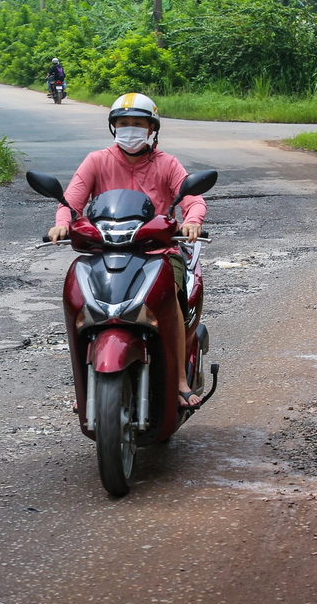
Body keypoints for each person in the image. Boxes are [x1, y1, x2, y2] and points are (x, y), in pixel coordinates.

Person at [47, 93, 206, 409]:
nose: (130, 130)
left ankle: (178, 381)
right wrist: (62, 224)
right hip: (104, 249)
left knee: (170, 298)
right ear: (113, 128)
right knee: (78, 299)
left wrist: (192, 221)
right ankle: (85, 382)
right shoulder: (97, 160)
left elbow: (194, 199)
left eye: (138, 124)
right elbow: (71, 201)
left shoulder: (167, 164)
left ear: (151, 129)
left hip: (157, 251)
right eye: (123, 124)